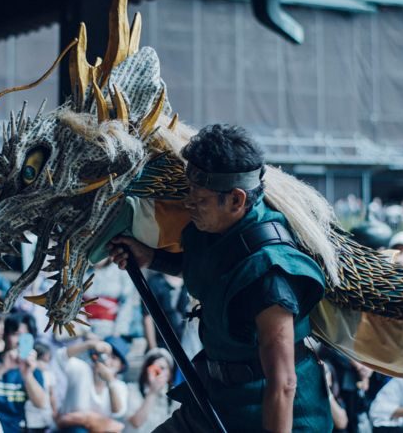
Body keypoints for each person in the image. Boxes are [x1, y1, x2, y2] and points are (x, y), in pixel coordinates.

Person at [109, 124, 332, 431]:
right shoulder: (214, 230)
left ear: (237, 201)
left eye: (200, 199)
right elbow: (210, 271)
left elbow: (283, 383)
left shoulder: (271, 274)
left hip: (276, 414)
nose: (190, 205)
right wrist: (152, 258)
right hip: (216, 399)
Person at [55, 335, 130, 432]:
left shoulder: (120, 386)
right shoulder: (82, 369)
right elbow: (61, 357)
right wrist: (90, 344)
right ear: (95, 356)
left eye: (114, 357)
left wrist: (110, 381)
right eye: (105, 355)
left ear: (121, 366)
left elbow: (118, 412)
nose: (107, 360)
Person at [125, 348, 179, 433]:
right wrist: (152, 392)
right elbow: (136, 423)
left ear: (169, 374)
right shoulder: (132, 390)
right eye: (154, 368)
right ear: (145, 371)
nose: (158, 372)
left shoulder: (175, 395)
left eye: (162, 368)